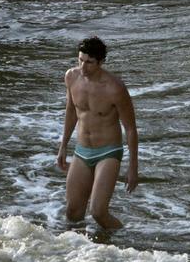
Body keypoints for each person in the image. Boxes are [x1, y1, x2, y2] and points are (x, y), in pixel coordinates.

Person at [57, 36, 138, 229]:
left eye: (90, 63)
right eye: (81, 60)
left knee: (98, 212)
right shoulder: (71, 77)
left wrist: (133, 167)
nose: (83, 67)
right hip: (82, 150)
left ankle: (127, 241)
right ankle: (81, 253)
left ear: (101, 62)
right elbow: (71, 111)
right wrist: (63, 146)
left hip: (108, 152)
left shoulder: (115, 88)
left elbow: (131, 128)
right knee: (73, 212)